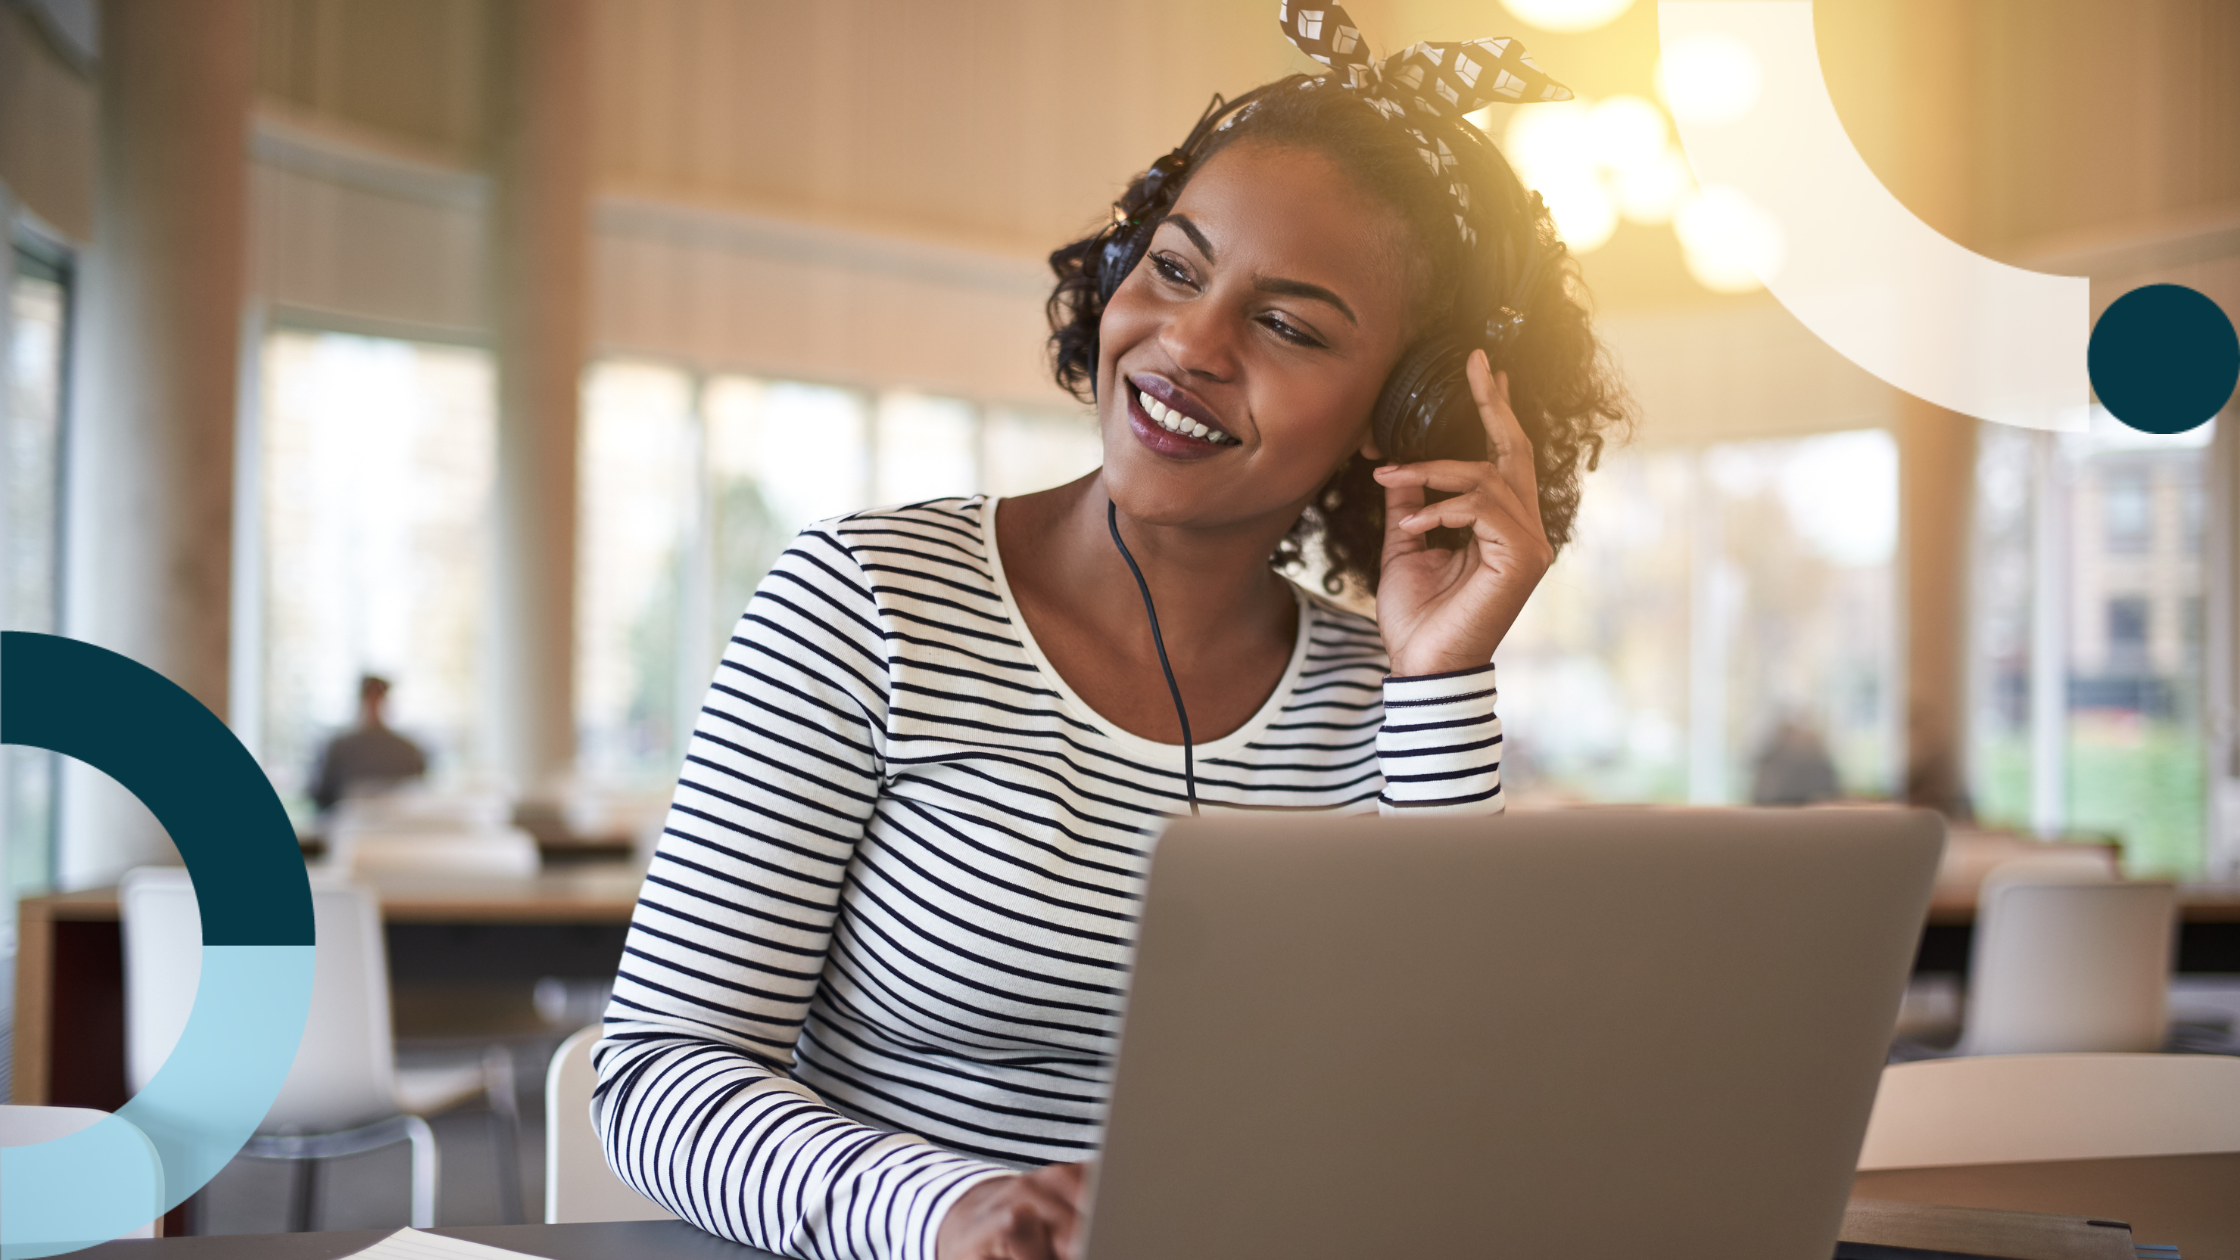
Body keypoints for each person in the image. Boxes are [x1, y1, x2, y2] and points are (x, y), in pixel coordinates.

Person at [592, 8, 1627, 1258]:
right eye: (1176, 269)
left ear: (1399, 414)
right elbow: (656, 1072)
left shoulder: (1392, 700)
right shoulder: (864, 597)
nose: (1187, 345)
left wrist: (1442, 674)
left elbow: (1444, 1113)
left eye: (1289, 326)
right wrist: (952, 1209)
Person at [308, 674, 428, 813]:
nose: (374, 704)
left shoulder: (408, 750)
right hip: (350, 826)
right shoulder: (339, 747)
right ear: (361, 700)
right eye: (370, 698)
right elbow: (322, 797)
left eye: (378, 698)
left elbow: (418, 793)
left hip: (397, 827)